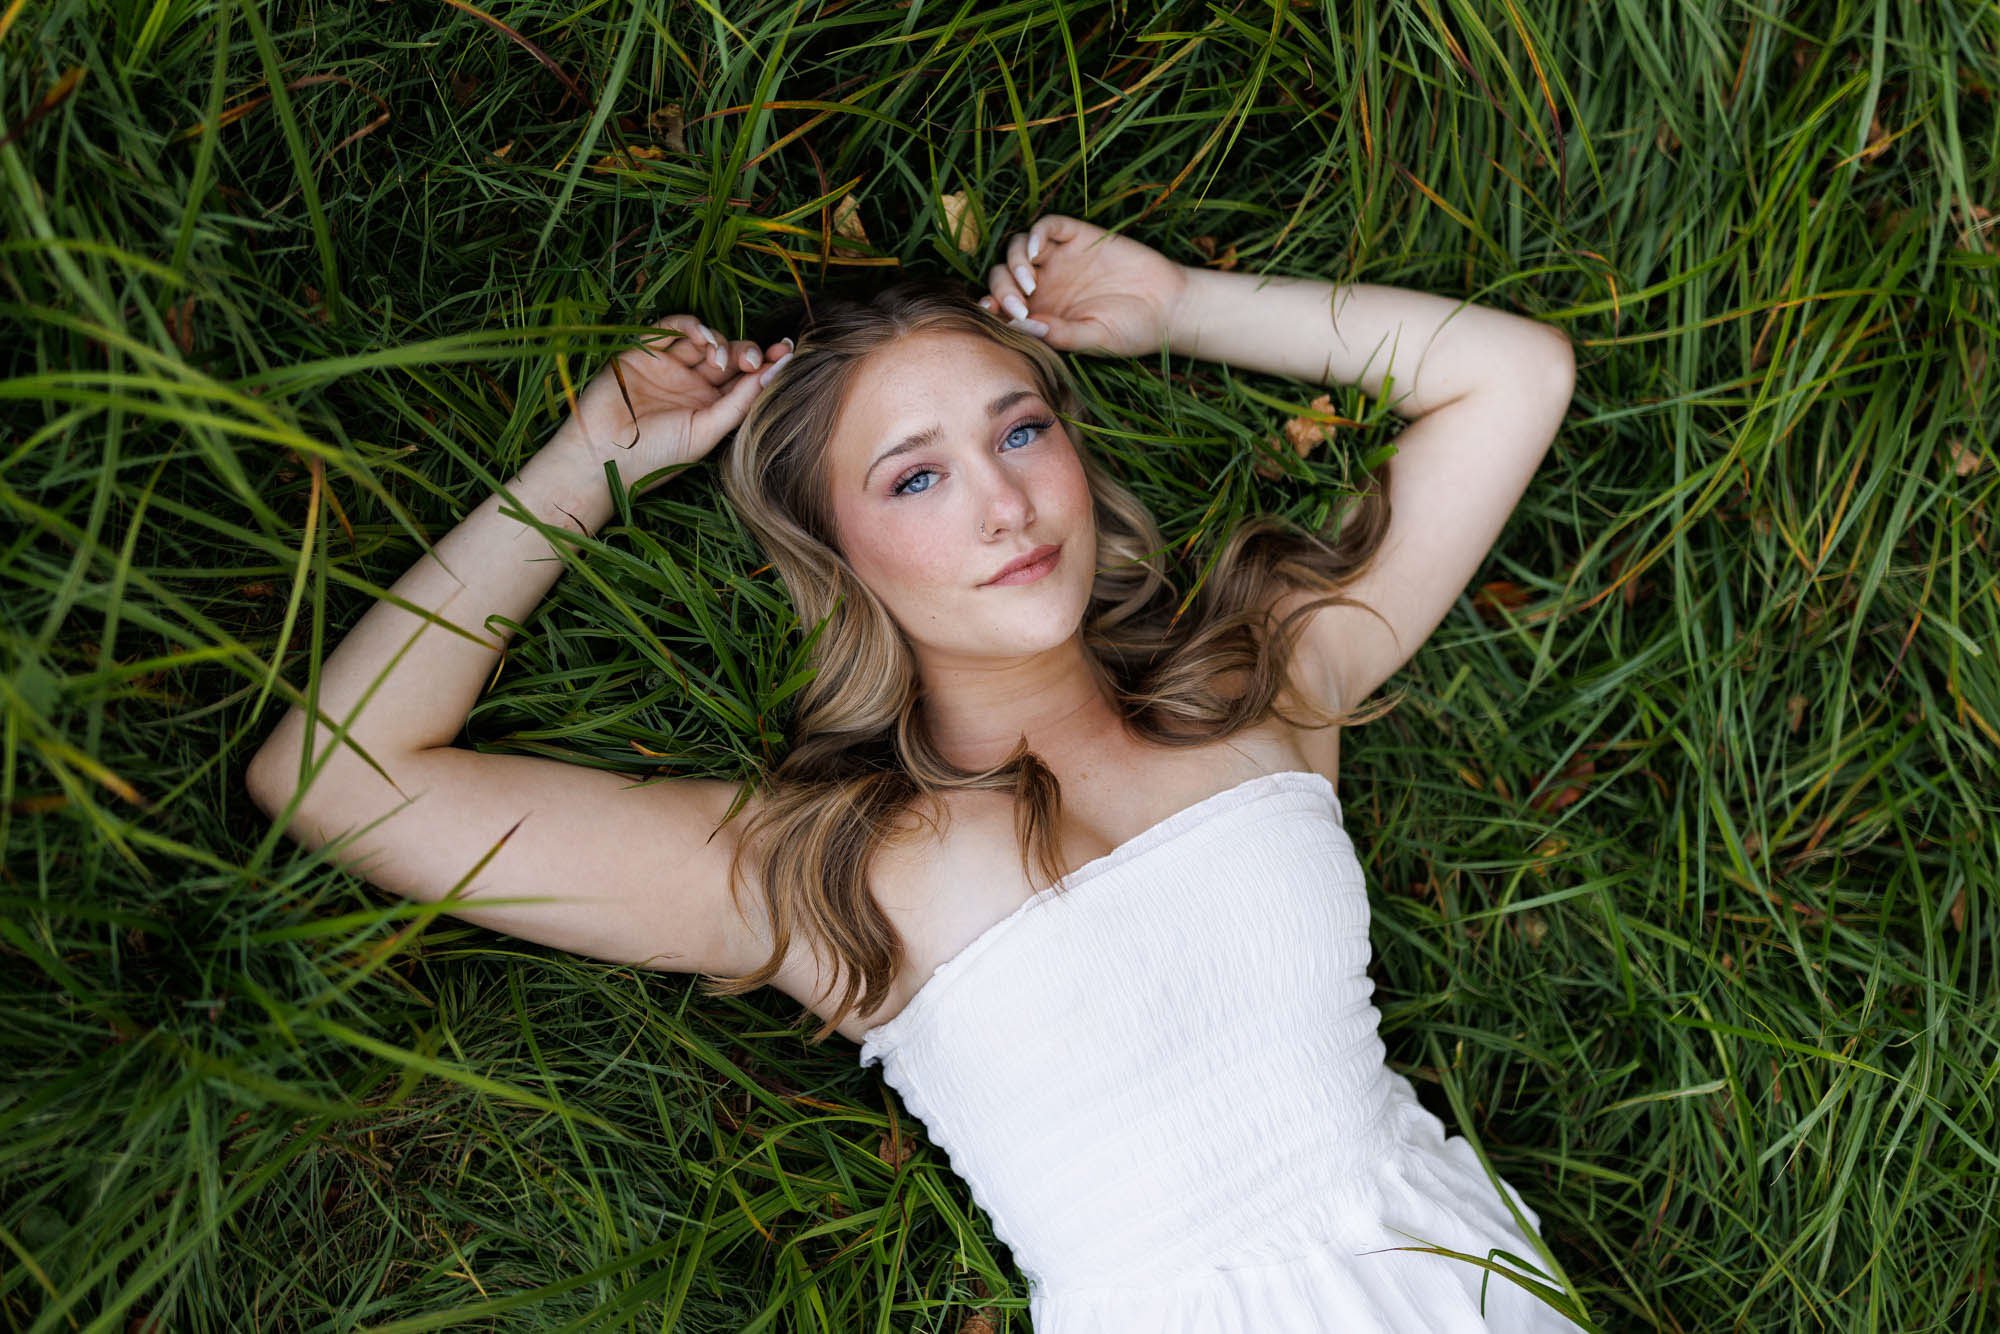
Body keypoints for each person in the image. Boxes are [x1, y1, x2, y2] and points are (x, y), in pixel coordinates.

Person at [246, 213, 1583, 1330]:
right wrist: (585, 470)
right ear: (835, 552)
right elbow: (337, 775)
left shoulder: (1267, 688)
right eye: (913, 479)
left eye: (1016, 433)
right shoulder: (823, 869)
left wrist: (1178, 304)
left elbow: (1511, 378)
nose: (1005, 507)